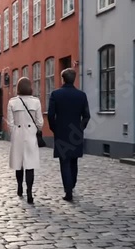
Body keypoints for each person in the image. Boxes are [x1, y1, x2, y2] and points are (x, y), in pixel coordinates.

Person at [47, 68, 90, 202]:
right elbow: (87, 116)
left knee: (64, 161)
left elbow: (50, 115)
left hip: (61, 132)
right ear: (74, 79)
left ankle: (68, 190)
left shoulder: (56, 94)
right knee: (74, 160)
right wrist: (80, 128)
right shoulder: (81, 95)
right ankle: (72, 184)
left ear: (63, 79)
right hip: (75, 132)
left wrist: (55, 129)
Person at [7, 77, 43, 204]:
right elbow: (40, 122)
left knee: (19, 163)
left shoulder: (12, 102)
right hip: (30, 134)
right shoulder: (36, 102)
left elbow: (10, 123)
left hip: (18, 134)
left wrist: (15, 131)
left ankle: (19, 187)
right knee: (30, 165)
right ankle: (29, 191)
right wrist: (35, 129)